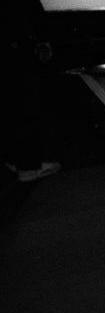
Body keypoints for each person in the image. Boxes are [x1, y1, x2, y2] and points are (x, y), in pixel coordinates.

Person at [2, 0, 60, 183]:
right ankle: (28, 167)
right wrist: (43, 39)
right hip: (19, 46)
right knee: (26, 105)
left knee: (12, 105)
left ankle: (16, 159)